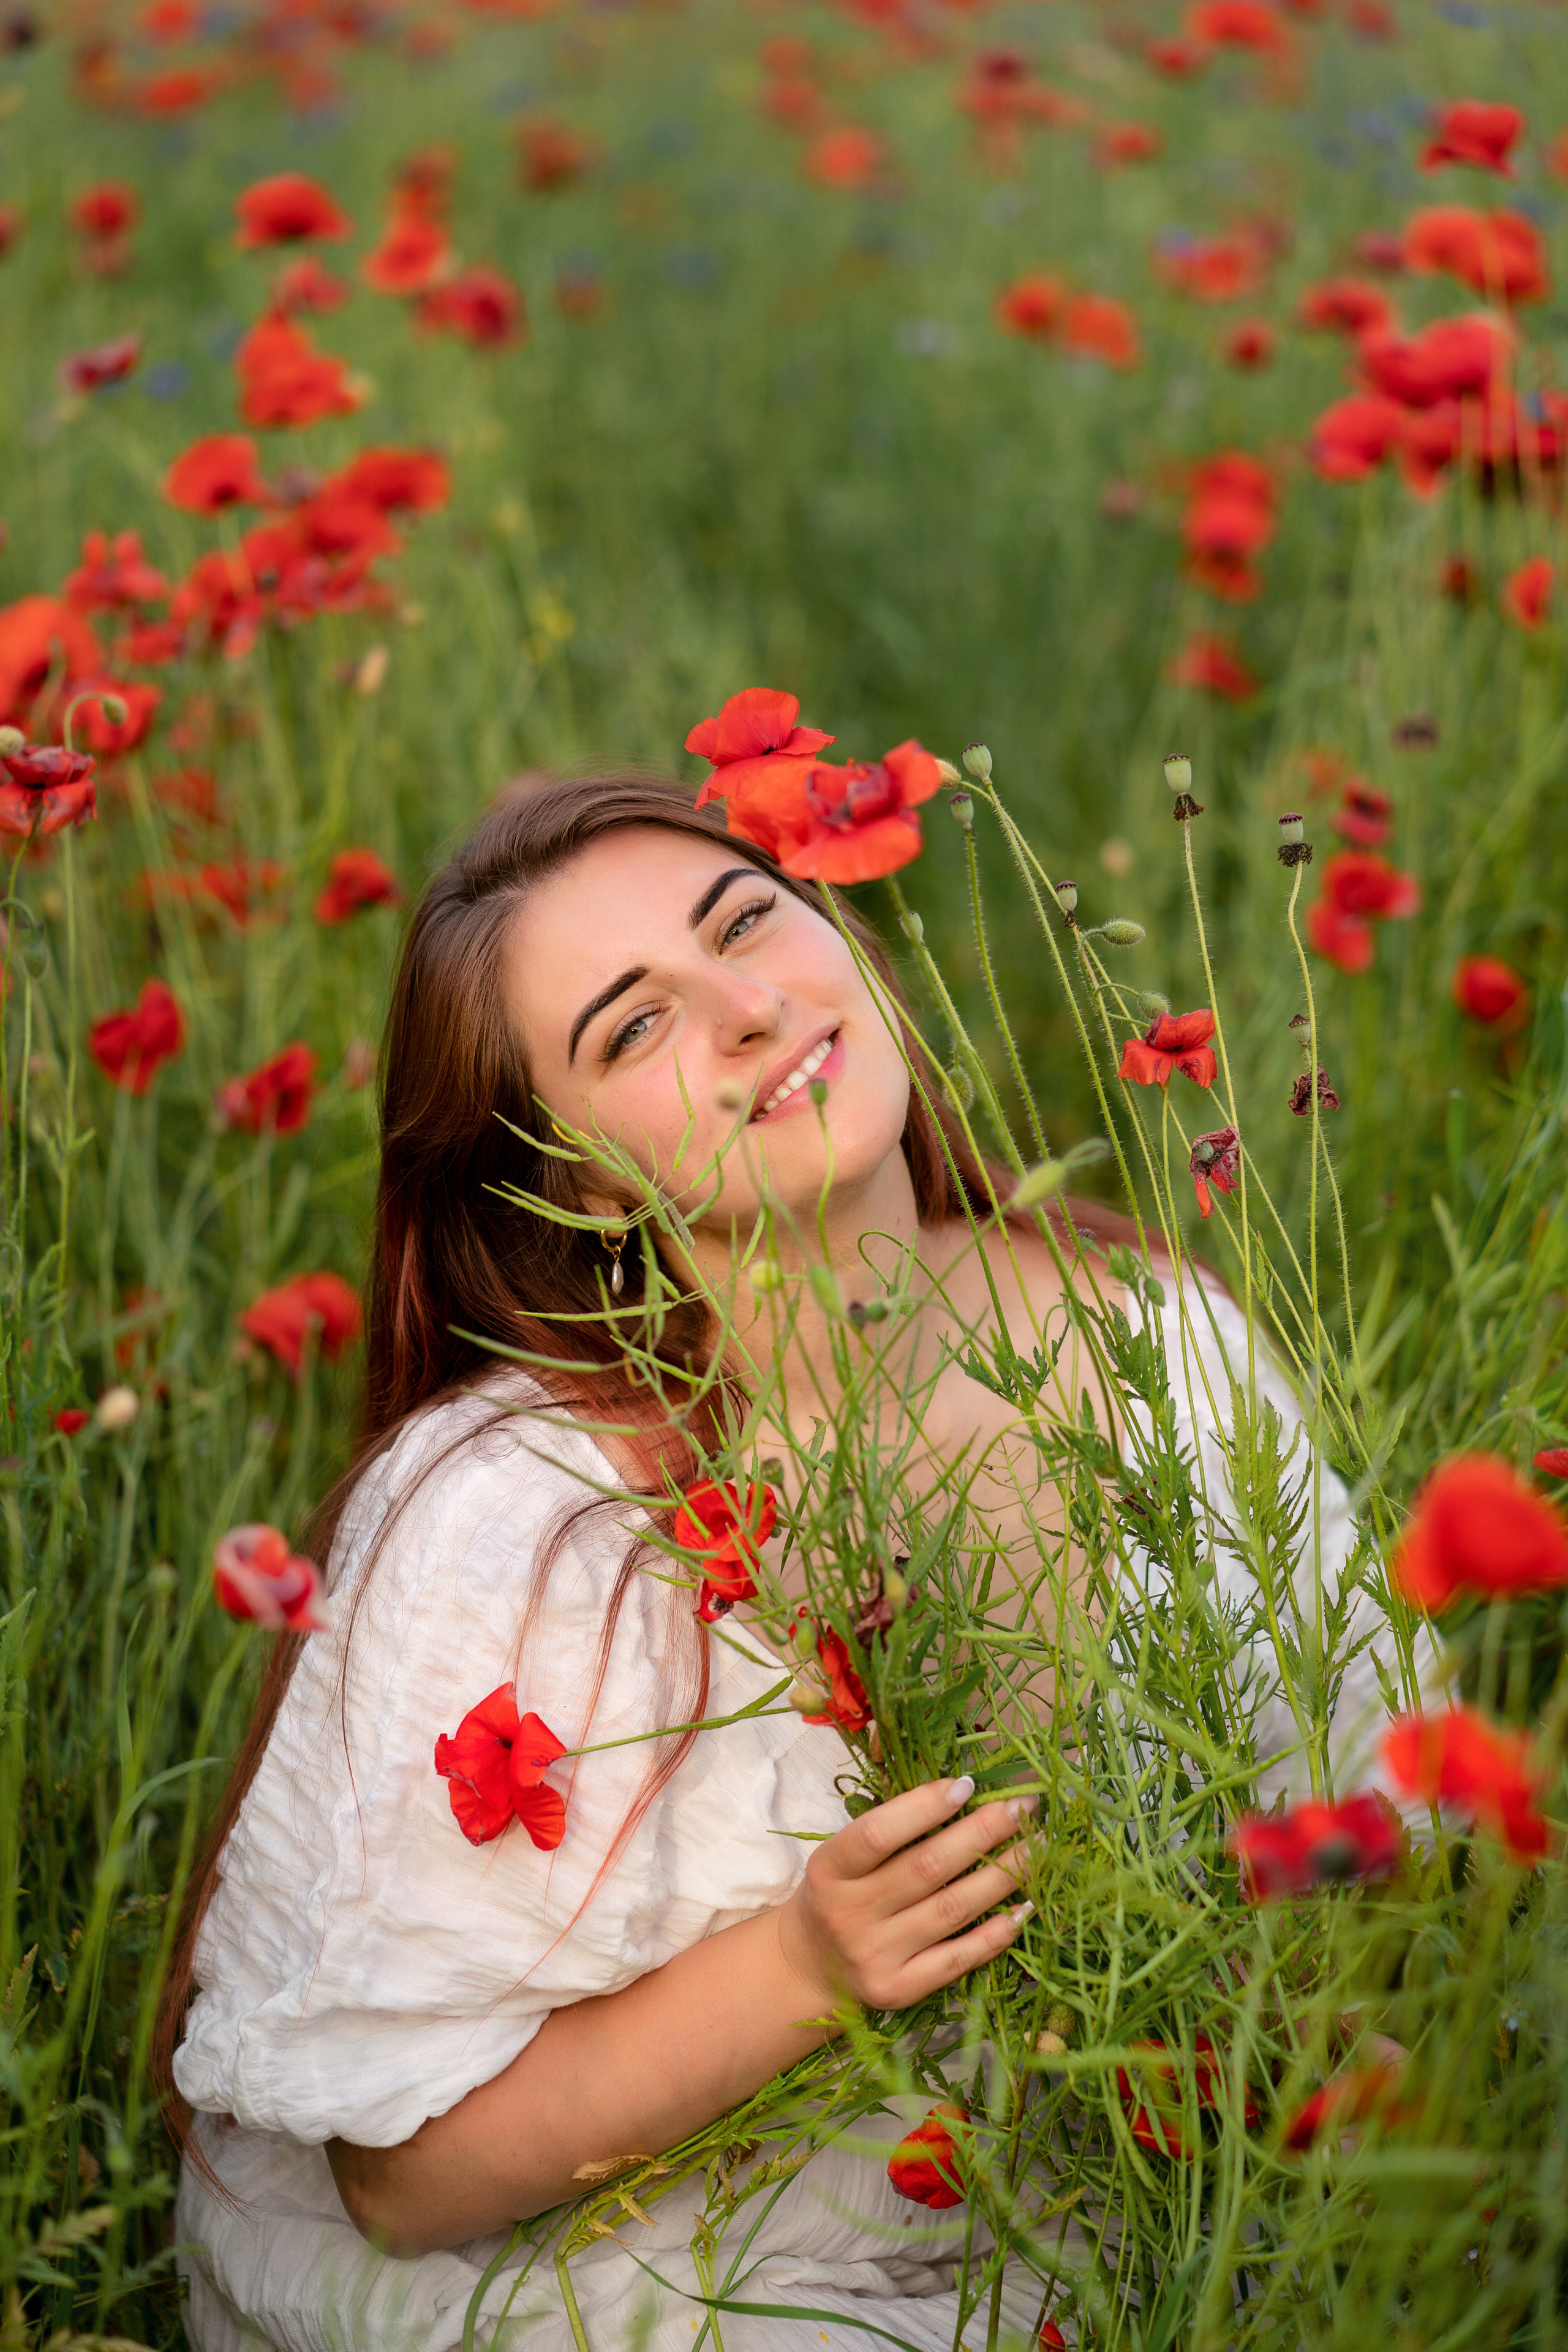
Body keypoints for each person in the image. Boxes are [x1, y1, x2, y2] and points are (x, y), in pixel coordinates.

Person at [157, 774, 1395, 2352]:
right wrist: (807, 1962)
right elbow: (404, 2181)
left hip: (1152, 2186)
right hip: (673, 2270)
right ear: (579, 1179)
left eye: (746, 924)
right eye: (634, 1029)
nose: (747, 1011)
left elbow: (1375, 1796)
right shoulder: (520, 1518)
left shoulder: (1154, 1334)